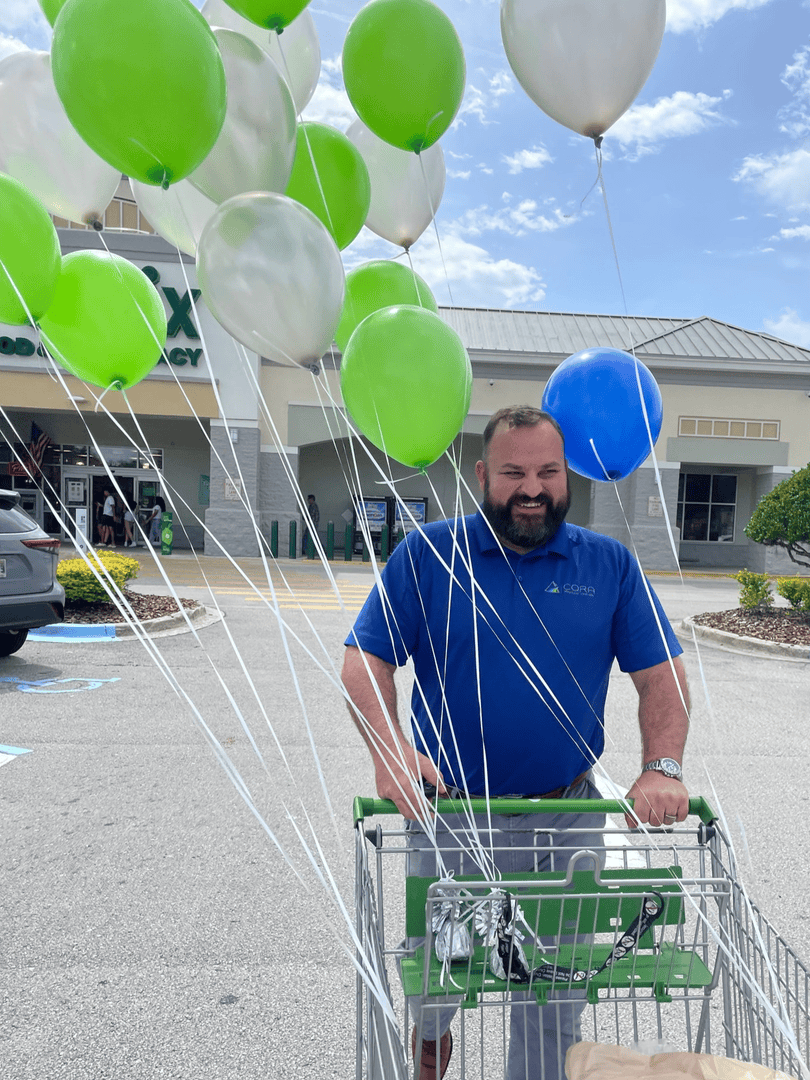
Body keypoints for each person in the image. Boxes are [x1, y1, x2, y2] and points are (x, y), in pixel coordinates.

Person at [341, 406, 690, 1080]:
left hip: (568, 816)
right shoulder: (428, 555)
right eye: (513, 472)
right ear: (482, 475)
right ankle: (431, 1043)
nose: (532, 488)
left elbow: (662, 676)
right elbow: (366, 659)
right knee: (438, 975)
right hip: (454, 816)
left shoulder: (608, 565)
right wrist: (390, 753)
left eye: (547, 472)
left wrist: (662, 767)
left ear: (567, 476)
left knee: (554, 995)